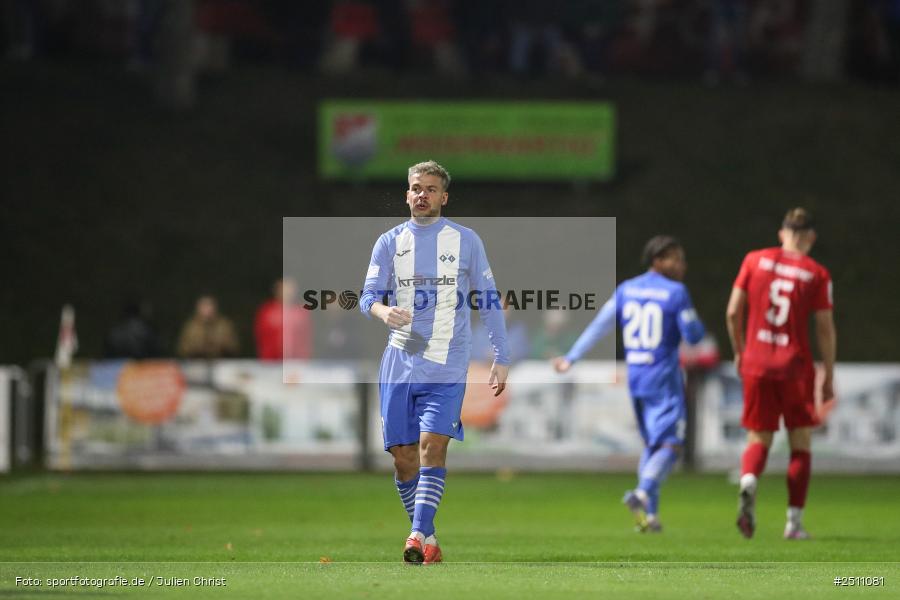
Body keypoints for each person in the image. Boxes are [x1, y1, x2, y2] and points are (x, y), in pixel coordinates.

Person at [360, 160, 510, 564]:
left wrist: (502, 355)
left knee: (431, 446)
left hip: (447, 363)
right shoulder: (389, 242)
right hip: (399, 363)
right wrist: (383, 312)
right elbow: (367, 297)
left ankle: (414, 534)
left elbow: (489, 300)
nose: (421, 194)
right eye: (415, 187)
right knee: (403, 456)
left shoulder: (466, 241)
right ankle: (429, 537)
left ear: (444, 197)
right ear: (407, 193)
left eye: (430, 188)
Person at [553, 236, 705, 533]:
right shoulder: (676, 292)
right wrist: (692, 322)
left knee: (652, 444)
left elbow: (601, 324)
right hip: (664, 377)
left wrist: (572, 357)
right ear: (658, 260)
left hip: (636, 377)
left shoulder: (627, 289)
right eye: (676, 258)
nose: (682, 265)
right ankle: (643, 492)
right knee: (672, 445)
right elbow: (694, 336)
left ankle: (651, 516)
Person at [726, 208, 836, 540]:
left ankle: (748, 480)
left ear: (781, 233)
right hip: (794, 366)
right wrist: (828, 375)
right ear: (811, 238)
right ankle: (794, 523)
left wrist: (740, 351)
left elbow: (733, 311)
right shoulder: (816, 273)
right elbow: (825, 329)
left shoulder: (753, 260)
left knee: (759, 437)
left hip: (757, 362)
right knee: (800, 442)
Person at [254, 278, 312, 360]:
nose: (287, 292)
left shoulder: (302, 311)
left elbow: (307, 337)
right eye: (284, 288)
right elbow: (260, 335)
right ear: (277, 290)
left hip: (297, 361)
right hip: (271, 361)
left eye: (290, 289)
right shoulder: (267, 311)